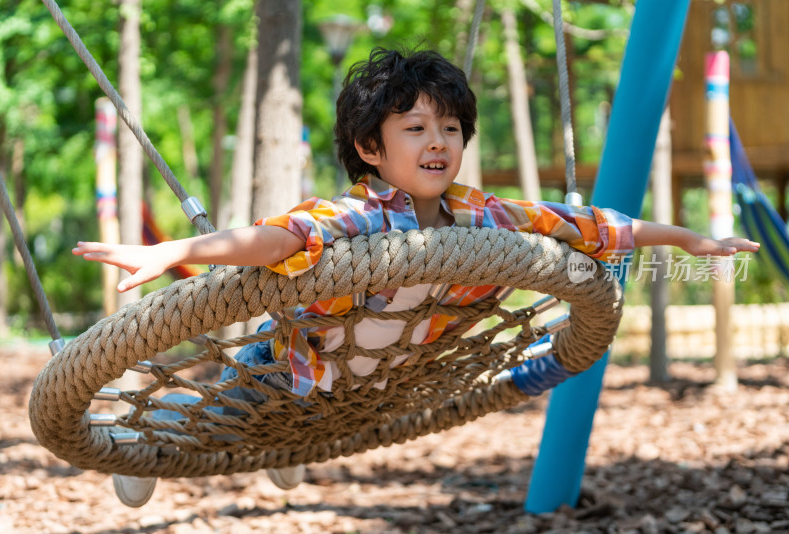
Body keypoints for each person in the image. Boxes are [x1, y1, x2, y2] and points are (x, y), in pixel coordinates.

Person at [74, 48, 759, 507]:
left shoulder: (485, 217)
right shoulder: (359, 217)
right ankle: (154, 432)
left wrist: (695, 239)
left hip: (372, 380)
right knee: (219, 423)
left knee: (303, 426)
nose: (439, 140)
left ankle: (281, 441)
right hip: (288, 364)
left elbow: (599, 228)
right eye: (415, 126)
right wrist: (174, 252)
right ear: (371, 148)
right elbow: (283, 236)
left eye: (452, 126)